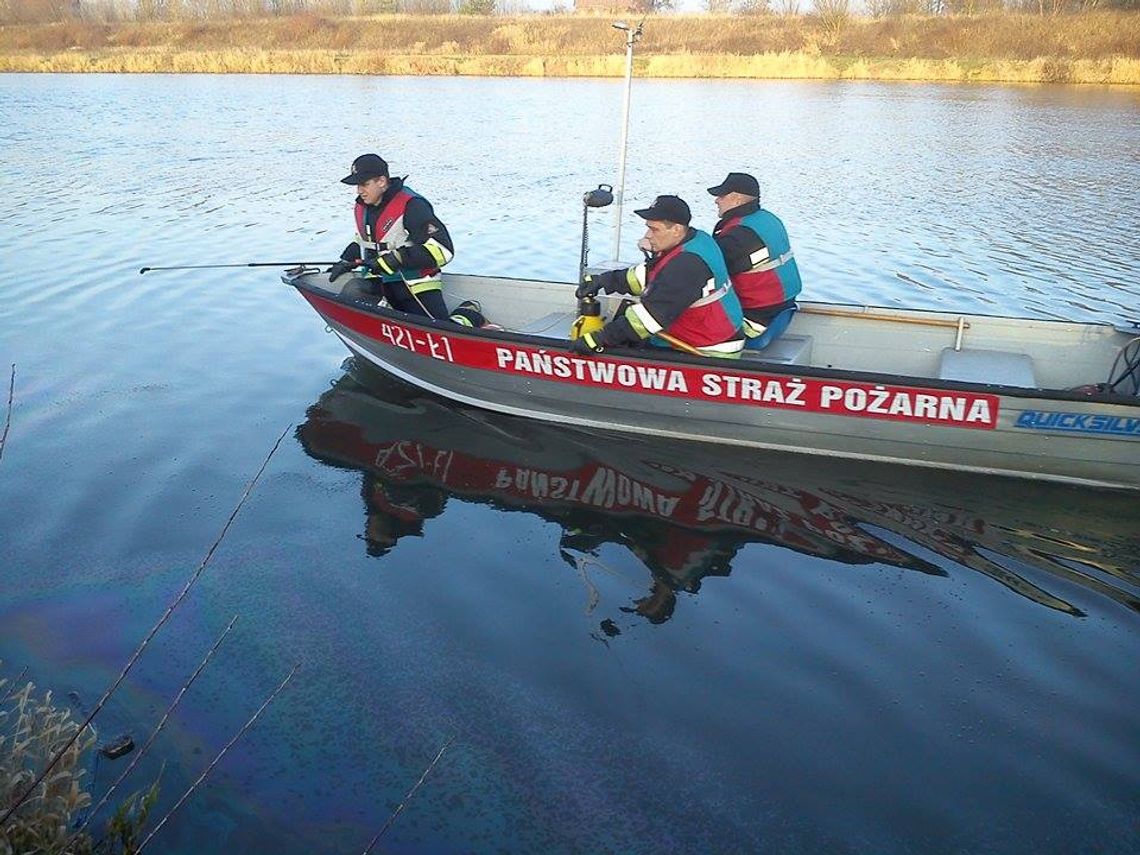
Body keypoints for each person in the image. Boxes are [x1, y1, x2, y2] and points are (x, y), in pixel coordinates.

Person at [571, 195, 745, 359]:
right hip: (712, 331)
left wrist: (596, 339)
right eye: (648, 228)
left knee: (625, 338)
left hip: (709, 350)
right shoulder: (695, 239)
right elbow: (647, 275)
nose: (648, 235)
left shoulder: (686, 265)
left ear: (676, 229)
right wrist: (603, 281)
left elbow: (647, 320)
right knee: (625, 322)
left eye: (654, 229)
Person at [327, 153, 456, 320]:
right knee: (354, 290)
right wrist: (345, 261)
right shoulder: (364, 206)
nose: (360, 191)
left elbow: (444, 250)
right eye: (357, 185)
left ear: (381, 181)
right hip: (381, 282)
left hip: (414, 285)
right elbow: (363, 242)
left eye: (364, 184)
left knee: (442, 327)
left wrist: (397, 258)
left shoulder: (413, 205)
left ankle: (471, 314)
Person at [707, 172, 802, 348]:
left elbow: (705, 271)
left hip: (755, 321)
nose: (716, 201)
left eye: (721, 196)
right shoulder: (767, 220)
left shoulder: (740, 236)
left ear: (735, 199)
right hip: (781, 311)